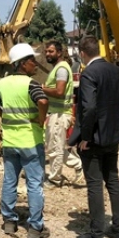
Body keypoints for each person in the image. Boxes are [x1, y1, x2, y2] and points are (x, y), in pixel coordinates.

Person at [67, 35, 119, 238]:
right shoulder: (116, 71)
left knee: (94, 184)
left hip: (93, 138)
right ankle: (118, 229)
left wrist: (85, 137)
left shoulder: (88, 74)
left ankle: (96, 236)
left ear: (83, 54)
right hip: (113, 135)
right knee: (113, 180)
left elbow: (89, 108)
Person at [0, 43, 51, 238]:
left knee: (10, 181)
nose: (35, 65)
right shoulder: (31, 84)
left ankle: (9, 221)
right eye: (32, 61)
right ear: (22, 64)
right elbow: (43, 102)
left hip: (10, 142)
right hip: (30, 141)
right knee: (35, 184)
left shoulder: (3, 83)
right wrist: (40, 119)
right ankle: (35, 227)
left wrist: (3, 114)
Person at [41, 40, 82, 188]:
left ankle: (55, 179)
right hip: (55, 114)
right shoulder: (58, 68)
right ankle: (79, 165)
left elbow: (59, 92)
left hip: (59, 115)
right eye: (46, 51)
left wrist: (42, 89)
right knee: (55, 147)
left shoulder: (62, 69)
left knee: (56, 149)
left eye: (51, 51)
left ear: (59, 52)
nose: (47, 54)